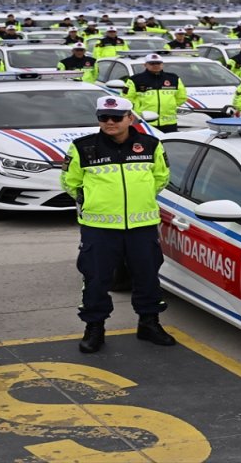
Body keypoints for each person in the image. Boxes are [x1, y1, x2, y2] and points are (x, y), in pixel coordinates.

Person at [62, 95, 174, 353]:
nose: (109, 122)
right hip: (99, 228)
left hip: (141, 225)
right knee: (96, 279)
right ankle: (94, 327)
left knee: (147, 276)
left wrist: (139, 201)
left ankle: (149, 323)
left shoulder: (150, 145)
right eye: (104, 117)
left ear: (130, 118)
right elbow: (70, 182)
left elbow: (161, 178)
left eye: (116, 117)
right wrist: (94, 201)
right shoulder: (82, 147)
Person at [124, 53, 186, 133]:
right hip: (144, 122)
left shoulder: (173, 78)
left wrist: (170, 105)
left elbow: (181, 97)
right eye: (152, 63)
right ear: (145, 65)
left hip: (169, 122)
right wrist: (139, 110)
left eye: (158, 63)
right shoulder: (135, 80)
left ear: (162, 64)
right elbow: (126, 99)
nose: (156, 65)